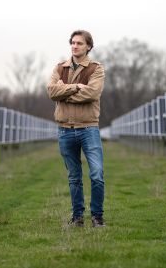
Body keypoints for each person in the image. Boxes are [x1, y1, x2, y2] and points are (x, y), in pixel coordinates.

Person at [47, 30, 106, 227]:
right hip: (65, 130)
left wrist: (64, 90)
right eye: (73, 43)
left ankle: (97, 217)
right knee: (74, 177)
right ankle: (77, 217)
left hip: (88, 128)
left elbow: (92, 93)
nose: (75, 46)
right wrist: (76, 87)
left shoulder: (96, 69)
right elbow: (51, 91)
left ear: (88, 46)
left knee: (96, 174)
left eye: (79, 43)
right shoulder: (59, 68)